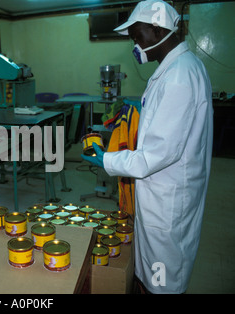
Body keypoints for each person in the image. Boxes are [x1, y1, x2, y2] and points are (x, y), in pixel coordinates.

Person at [82, 0, 213, 294]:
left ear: (157, 30)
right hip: (163, 193)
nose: (135, 45)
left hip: (167, 201)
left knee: (162, 281)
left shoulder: (179, 76)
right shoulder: (178, 67)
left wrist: (107, 159)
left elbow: (157, 154)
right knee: (151, 272)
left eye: (138, 36)